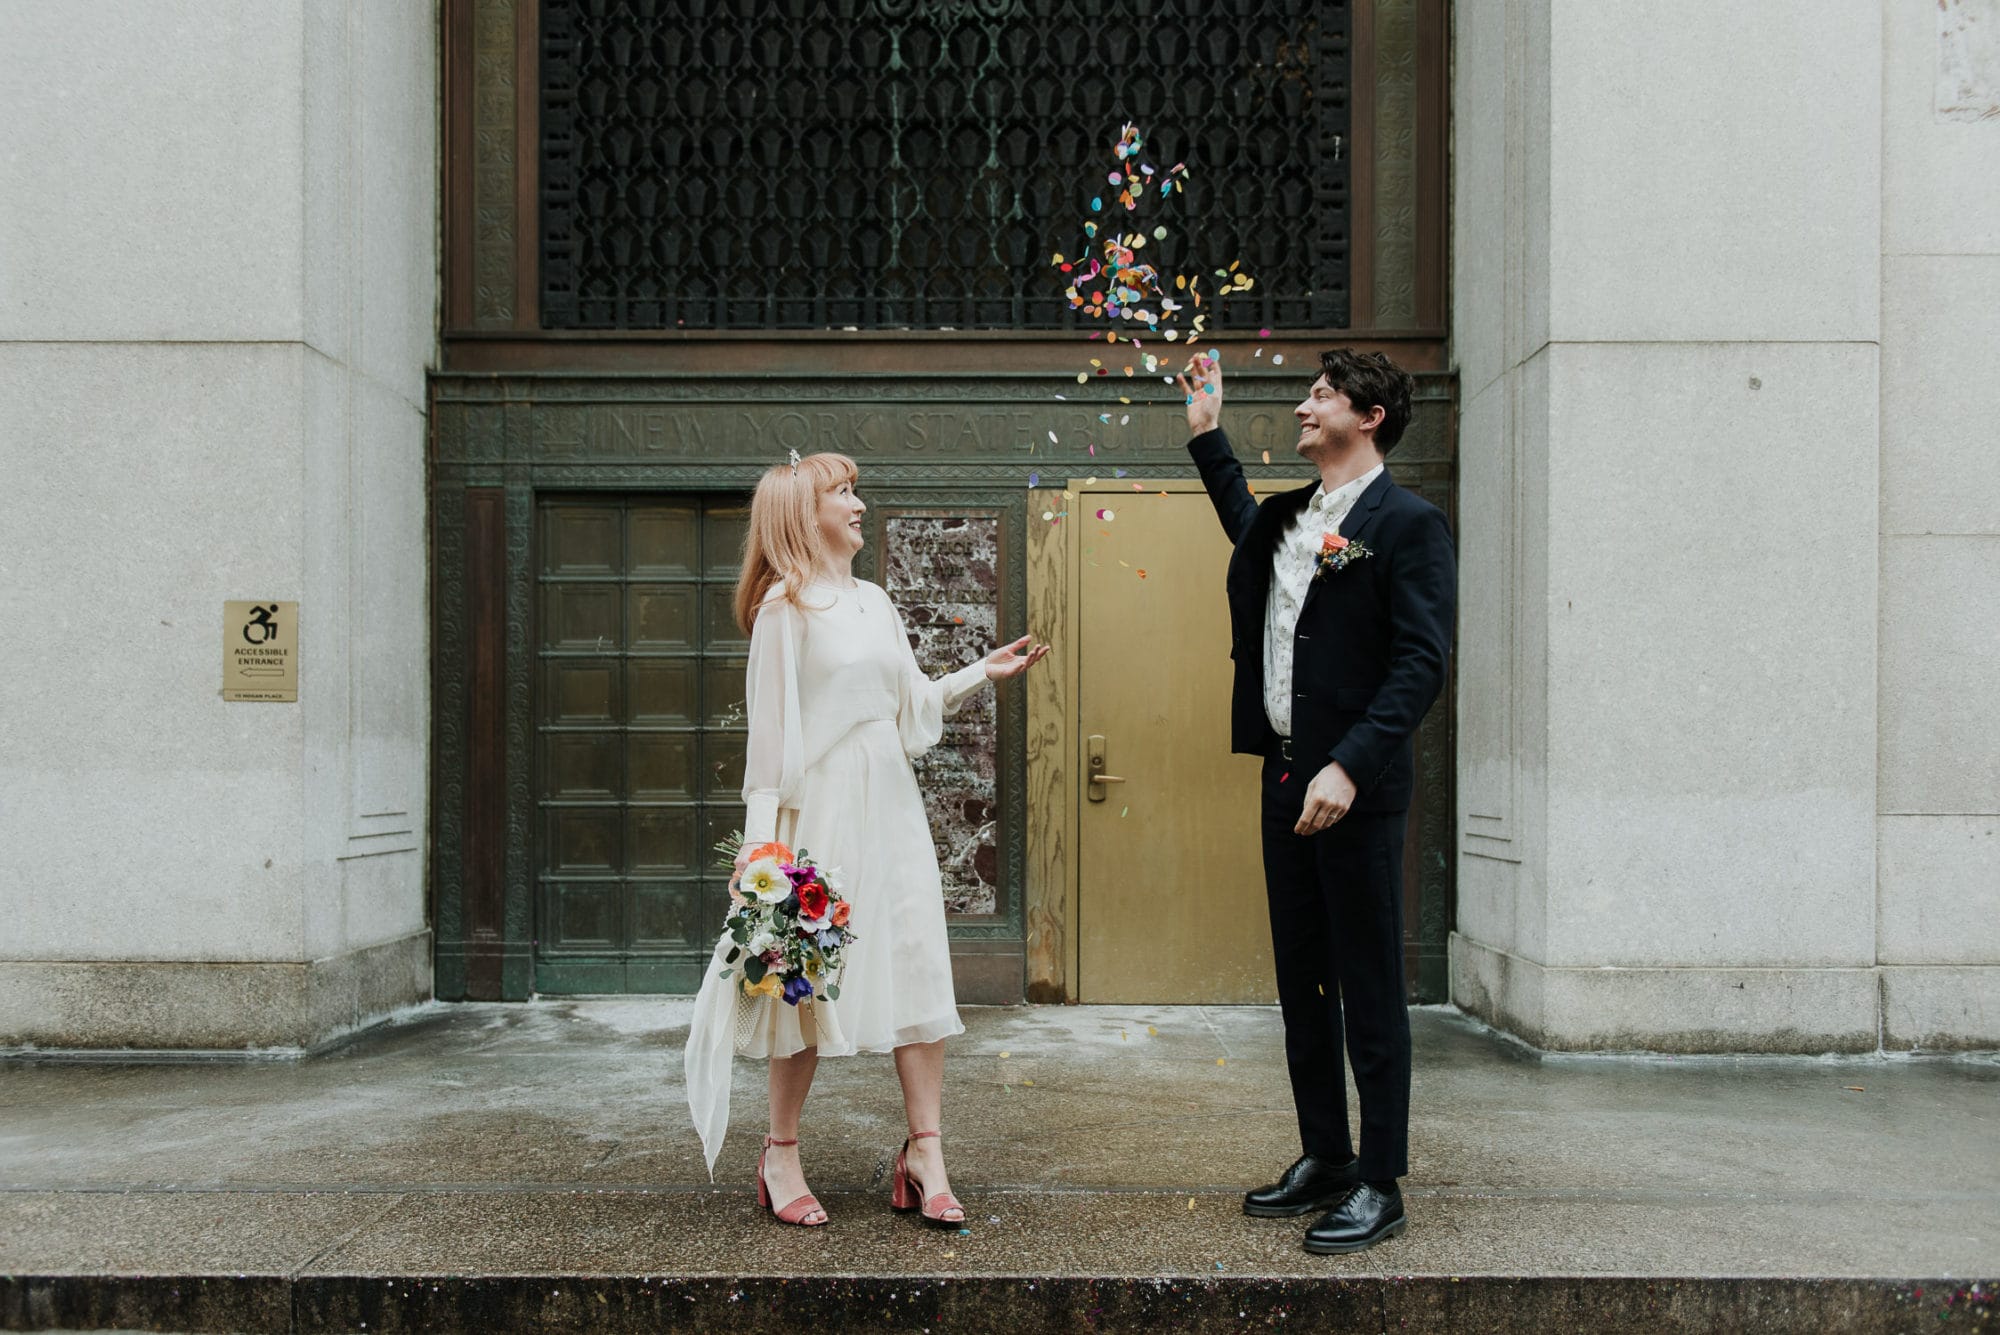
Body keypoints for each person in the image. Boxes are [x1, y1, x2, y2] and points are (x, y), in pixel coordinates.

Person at [684, 451, 1048, 1229]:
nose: (857, 504)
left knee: (917, 964)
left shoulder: (876, 601)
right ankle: (780, 1153)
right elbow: (767, 745)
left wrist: (979, 673)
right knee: (804, 980)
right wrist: (760, 853)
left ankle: (926, 1154)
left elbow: (909, 706)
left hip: (891, 805)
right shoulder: (783, 609)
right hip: (819, 814)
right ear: (803, 513)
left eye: (855, 490)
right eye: (842, 492)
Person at [1177, 348, 1456, 1255]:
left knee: (1368, 984)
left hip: (1354, 789)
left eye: (1323, 395)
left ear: (1369, 417)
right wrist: (1207, 432)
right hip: (1283, 777)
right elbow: (1239, 516)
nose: (1305, 406)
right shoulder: (1291, 517)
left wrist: (1351, 765)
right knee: (1303, 981)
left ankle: (1381, 1179)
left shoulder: (1409, 524)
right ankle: (1328, 1155)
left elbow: (1421, 662)